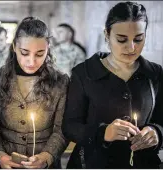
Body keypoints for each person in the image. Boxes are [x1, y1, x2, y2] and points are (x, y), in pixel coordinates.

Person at [62, 2, 163, 168]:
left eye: (138, 39)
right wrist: (103, 133)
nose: (131, 47)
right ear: (107, 35)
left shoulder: (155, 73)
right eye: (121, 39)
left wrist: (157, 132)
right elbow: (70, 126)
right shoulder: (84, 73)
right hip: (93, 163)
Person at [0, 17, 69, 169]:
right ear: (14, 47)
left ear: (48, 48)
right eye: (24, 53)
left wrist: (46, 156)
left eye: (39, 54)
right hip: (7, 161)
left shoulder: (60, 82)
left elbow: (62, 129)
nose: (31, 62)